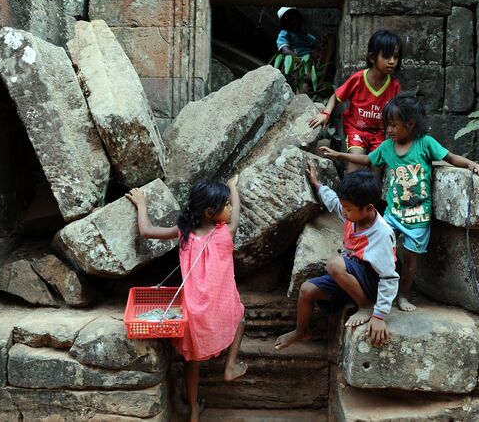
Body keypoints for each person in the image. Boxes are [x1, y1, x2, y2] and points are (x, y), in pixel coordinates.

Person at [319, 92, 479, 312]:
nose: (388, 130)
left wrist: (472, 165)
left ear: (410, 123)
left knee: (410, 261)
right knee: (377, 250)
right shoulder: (388, 147)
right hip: (392, 214)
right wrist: (340, 155)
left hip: (418, 218)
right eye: (386, 125)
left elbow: (451, 158)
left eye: (392, 125)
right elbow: (368, 159)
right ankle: (370, 288)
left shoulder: (425, 143)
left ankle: (404, 295)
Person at [126, 177, 247, 422]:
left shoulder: (185, 233)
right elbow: (237, 214)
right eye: (226, 204)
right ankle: (230, 366)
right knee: (241, 318)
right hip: (222, 308)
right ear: (210, 212)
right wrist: (234, 186)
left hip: (193, 312)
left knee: (193, 361)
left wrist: (141, 205)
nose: (230, 207)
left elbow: (147, 231)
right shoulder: (226, 233)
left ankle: (193, 412)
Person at [274, 165, 399, 351]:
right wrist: (317, 184)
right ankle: (301, 330)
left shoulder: (381, 234)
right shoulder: (353, 215)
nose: (344, 212)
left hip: (371, 284)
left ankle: (365, 306)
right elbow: (332, 201)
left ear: (369, 208)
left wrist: (379, 316)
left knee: (334, 262)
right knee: (307, 290)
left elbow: (389, 277)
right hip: (350, 278)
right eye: (344, 208)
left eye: (348, 209)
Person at [309, 29, 403, 173]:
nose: (392, 61)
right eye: (386, 56)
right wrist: (326, 114)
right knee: (355, 161)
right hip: (356, 129)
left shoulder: (395, 86)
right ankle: (349, 193)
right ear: (372, 58)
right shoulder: (358, 79)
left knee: (377, 166)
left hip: (379, 133)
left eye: (395, 57)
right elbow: (336, 96)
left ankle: (373, 195)